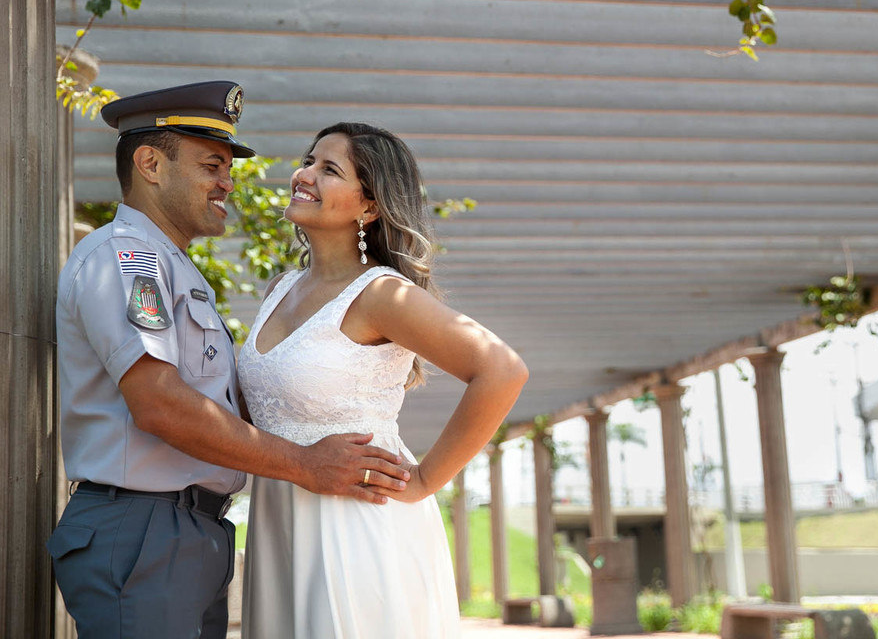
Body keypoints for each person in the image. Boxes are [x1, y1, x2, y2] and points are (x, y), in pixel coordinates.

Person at [50, 82, 414, 639]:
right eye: (211, 165)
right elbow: (159, 405)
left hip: (187, 532)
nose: (227, 183)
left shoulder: (175, 270)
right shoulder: (128, 261)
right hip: (143, 528)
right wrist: (304, 463)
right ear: (150, 163)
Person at [239, 122, 529, 639]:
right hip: (278, 521)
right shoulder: (279, 289)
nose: (303, 175)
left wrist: (422, 483)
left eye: (328, 169)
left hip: (356, 526)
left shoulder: (381, 295)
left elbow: (502, 370)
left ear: (368, 207)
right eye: (308, 160)